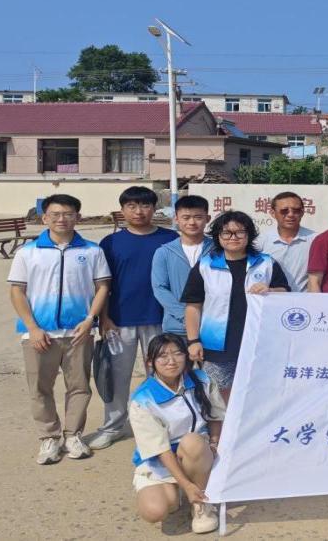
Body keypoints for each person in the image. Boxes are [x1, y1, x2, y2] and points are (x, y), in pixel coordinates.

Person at [8, 194, 110, 464]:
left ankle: (73, 435)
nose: (62, 219)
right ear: (44, 218)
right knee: (39, 388)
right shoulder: (28, 252)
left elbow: (102, 287)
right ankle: (49, 437)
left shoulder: (92, 251)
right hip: (40, 334)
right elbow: (17, 291)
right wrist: (33, 327)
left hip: (78, 333)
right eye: (55, 214)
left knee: (79, 387)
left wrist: (90, 319)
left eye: (68, 214)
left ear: (78, 217)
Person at [86, 186, 178, 451]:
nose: (139, 211)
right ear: (122, 210)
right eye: (132, 206)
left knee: (163, 374)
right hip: (118, 321)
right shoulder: (111, 243)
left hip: (160, 319)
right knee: (117, 377)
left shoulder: (170, 239)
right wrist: (104, 318)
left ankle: (163, 424)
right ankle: (113, 426)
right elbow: (103, 285)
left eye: (145, 205)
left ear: (154, 208)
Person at [184, 211, 290, 398]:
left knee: (257, 394)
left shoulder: (266, 263)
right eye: (227, 233)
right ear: (218, 236)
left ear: (249, 235)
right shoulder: (205, 266)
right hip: (217, 345)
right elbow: (193, 306)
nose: (233, 237)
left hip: (259, 343)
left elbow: (286, 294)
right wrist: (193, 341)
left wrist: (271, 290)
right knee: (218, 398)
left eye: (240, 232)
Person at [130, 333, 223, 534]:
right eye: (163, 356)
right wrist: (186, 485)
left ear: (186, 356)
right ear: (150, 362)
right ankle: (184, 490)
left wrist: (214, 443)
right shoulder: (142, 399)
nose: (171, 361)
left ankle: (201, 503)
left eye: (177, 353)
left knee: (192, 442)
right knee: (155, 511)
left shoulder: (202, 380)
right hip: (162, 459)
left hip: (197, 450)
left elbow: (216, 416)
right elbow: (160, 450)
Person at [152, 195, 214, 336]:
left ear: (207, 218)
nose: (192, 222)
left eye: (198, 217)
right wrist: (185, 316)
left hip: (213, 326)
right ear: (176, 219)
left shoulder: (218, 250)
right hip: (177, 327)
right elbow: (160, 288)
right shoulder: (164, 252)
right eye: (186, 217)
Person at [254, 191, 316, 292]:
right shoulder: (260, 241)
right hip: (270, 297)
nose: (290, 214)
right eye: (284, 211)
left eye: (296, 210)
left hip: (304, 299)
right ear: (273, 213)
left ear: (302, 212)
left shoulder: (315, 239)